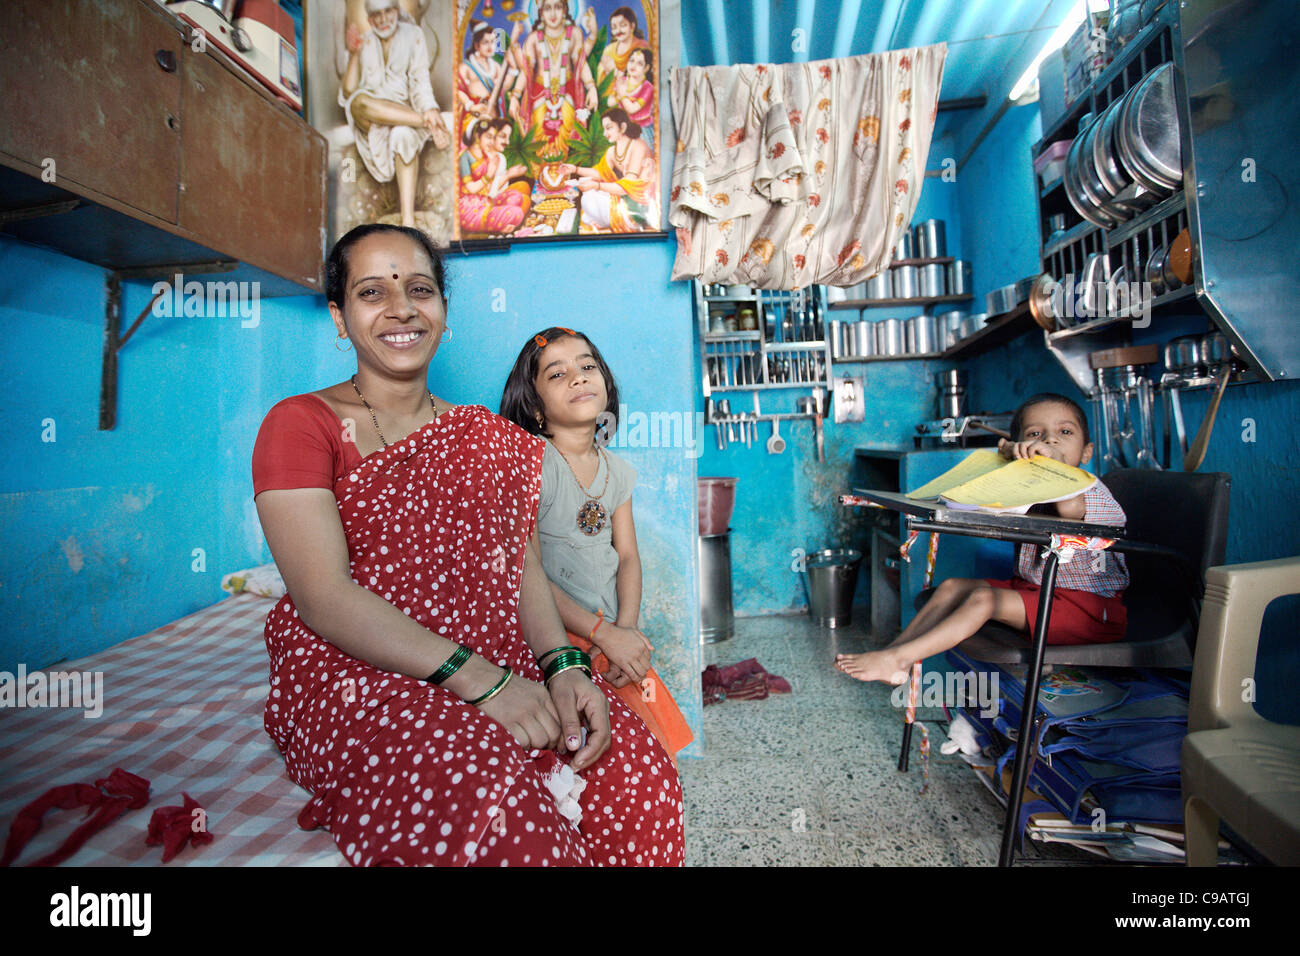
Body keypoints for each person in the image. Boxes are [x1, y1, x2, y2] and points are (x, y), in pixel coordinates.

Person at [251, 224, 684, 865]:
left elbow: (520, 568)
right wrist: (484, 685)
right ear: (340, 317)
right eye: (372, 292)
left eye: (420, 289)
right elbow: (324, 598)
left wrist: (561, 668)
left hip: (500, 652)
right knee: (492, 804)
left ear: (443, 311)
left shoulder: (482, 434)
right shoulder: (302, 424)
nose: (401, 308)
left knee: (636, 773)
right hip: (364, 670)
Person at [834, 393, 1130, 684]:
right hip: (1038, 589)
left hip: (1090, 610)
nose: (1050, 441)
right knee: (951, 587)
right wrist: (1008, 461)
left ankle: (897, 659)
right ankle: (898, 657)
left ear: (1087, 451)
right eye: (1035, 434)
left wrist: (1053, 466)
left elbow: (1071, 509)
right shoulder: (1029, 489)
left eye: (1065, 432)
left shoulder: (1093, 493)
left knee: (983, 600)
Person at [499, 328, 693, 765]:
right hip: (555, 638)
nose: (578, 377)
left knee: (649, 747)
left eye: (587, 366)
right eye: (557, 373)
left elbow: (628, 557)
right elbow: (523, 571)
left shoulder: (618, 472)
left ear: (605, 383)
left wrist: (625, 631)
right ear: (534, 406)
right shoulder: (532, 464)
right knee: (574, 754)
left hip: (610, 639)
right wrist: (603, 634)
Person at [339, 0, 451, 229]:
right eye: (376, 15)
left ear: (396, 11)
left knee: (404, 135)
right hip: (371, 117)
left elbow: (420, 81)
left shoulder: (414, 35)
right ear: (370, 19)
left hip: (403, 116)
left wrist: (429, 107)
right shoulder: (366, 41)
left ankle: (407, 220)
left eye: (387, 12)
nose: (383, 20)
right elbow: (349, 92)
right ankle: (426, 123)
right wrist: (353, 54)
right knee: (358, 102)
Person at [507, 0, 597, 161]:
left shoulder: (574, 33)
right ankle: (542, 176)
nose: (553, 13)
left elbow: (580, 63)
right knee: (539, 132)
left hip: (567, 93)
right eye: (548, 8)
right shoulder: (534, 38)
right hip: (539, 93)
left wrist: (591, 88)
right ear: (541, 12)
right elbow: (526, 71)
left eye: (557, 7)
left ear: (565, 9)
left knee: (568, 129)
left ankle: (562, 174)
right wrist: (515, 95)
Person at [557, 108, 657, 232]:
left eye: (609, 128)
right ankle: (598, 218)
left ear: (623, 127)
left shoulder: (638, 146)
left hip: (639, 205)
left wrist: (597, 185)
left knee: (591, 198)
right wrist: (575, 169)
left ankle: (604, 219)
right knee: (589, 195)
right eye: (604, 129)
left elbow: (628, 185)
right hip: (625, 196)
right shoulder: (612, 151)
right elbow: (599, 173)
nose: (605, 133)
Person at [457, 119, 528, 235]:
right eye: (488, 137)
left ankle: (499, 222)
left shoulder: (486, 156)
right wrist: (490, 175)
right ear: (477, 136)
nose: (491, 141)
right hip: (470, 207)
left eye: (493, 137)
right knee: (516, 213)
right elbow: (472, 189)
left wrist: (505, 174)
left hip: (485, 200)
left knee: (517, 196)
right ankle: (496, 226)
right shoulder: (465, 157)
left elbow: (491, 191)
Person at [608, 47, 655, 149]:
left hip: (642, 130)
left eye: (639, 63)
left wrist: (622, 95)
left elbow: (632, 109)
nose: (633, 65)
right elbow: (610, 102)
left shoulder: (648, 88)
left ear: (646, 68)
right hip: (624, 129)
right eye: (631, 61)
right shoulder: (622, 81)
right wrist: (618, 95)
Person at [594, 6, 650, 83]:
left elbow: (640, 80)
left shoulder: (642, 47)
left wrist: (614, 71)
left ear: (632, 26)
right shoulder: (609, 50)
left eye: (623, 25)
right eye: (614, 27)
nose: (618, 31)